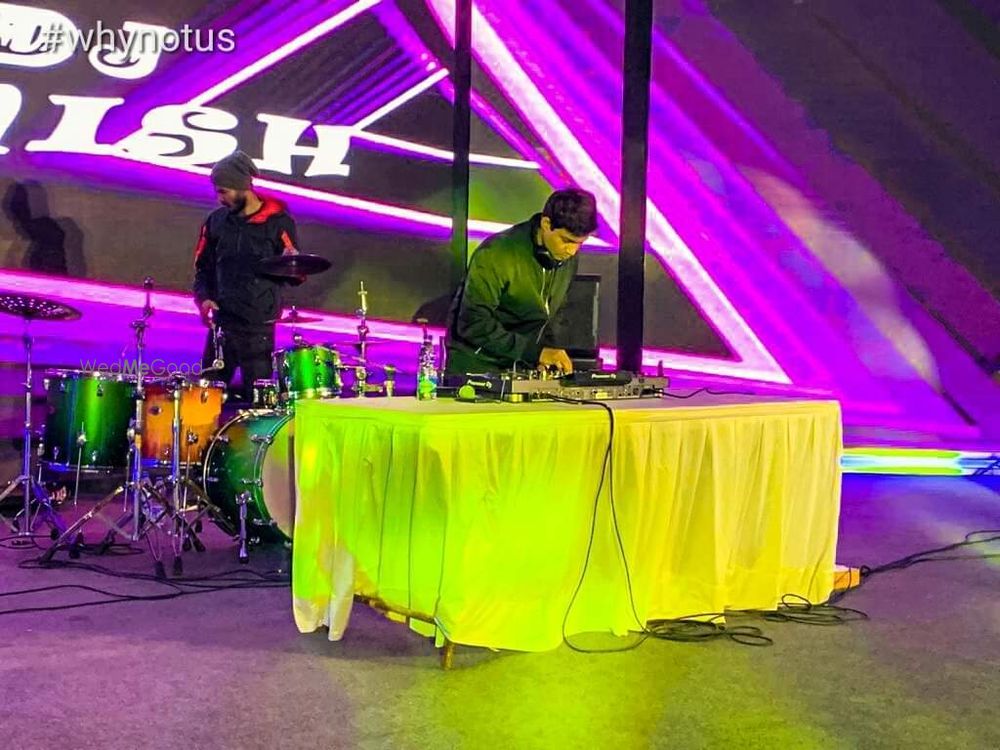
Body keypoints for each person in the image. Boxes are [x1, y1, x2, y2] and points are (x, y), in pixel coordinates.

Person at [444, 188, 598, 376]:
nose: (572, 251)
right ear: (546, 224)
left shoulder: (566, 255)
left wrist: (545, 353)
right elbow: (473, 323)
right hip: (477, 367)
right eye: (566, 241)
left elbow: (550, 315)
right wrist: (535, 352)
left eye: (580, 243)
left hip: (521, 364)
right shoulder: (496, 253)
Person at [192, 150, 302, 402]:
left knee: (259, 401)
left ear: (243, 187)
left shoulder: (278, 222)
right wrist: (204, 299)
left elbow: (295, 275)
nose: (220, 198)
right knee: (205, 399)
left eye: (224, 192)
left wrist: (292, 264)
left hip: (258, 328)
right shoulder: (215, 222)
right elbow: (202, 269)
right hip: (222, 326)